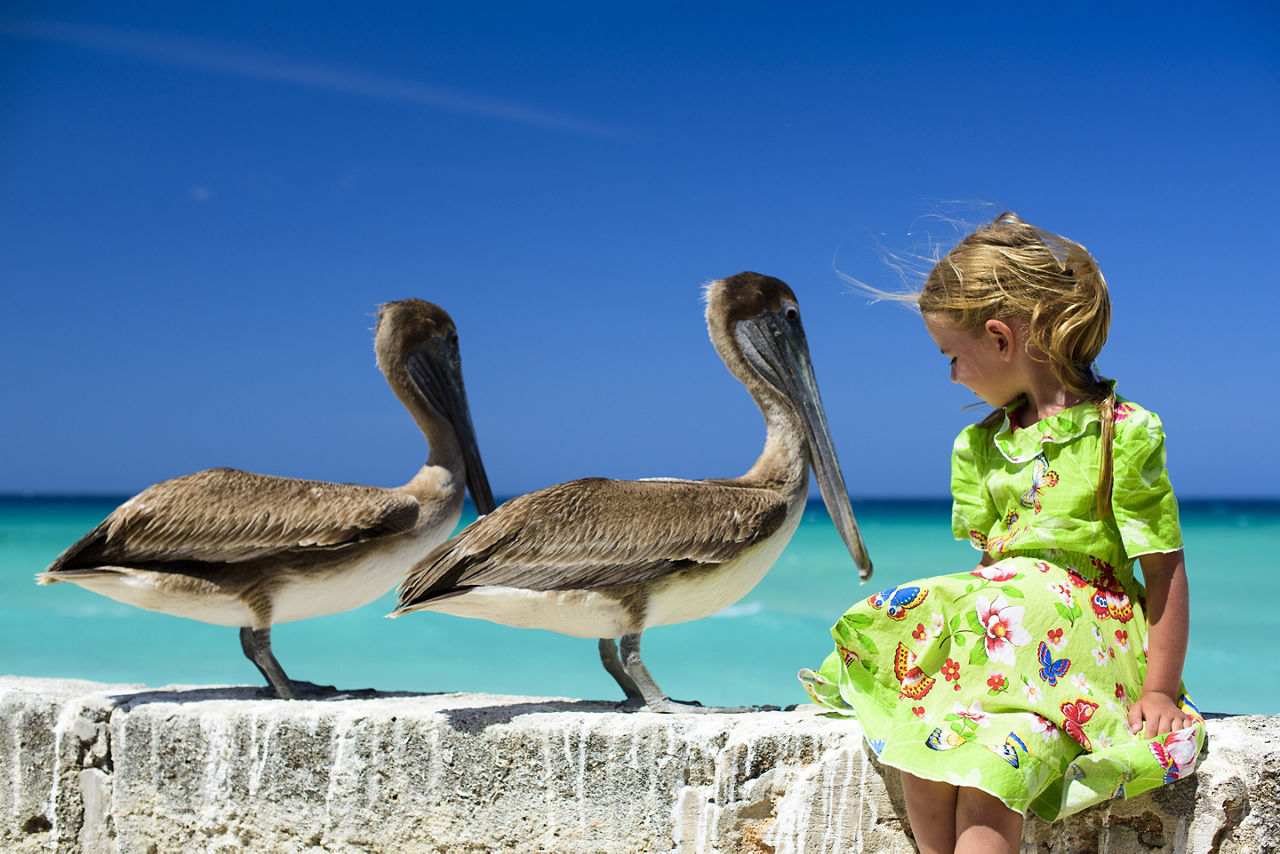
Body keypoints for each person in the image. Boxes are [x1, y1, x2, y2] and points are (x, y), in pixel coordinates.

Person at [800, 212, 1204, 853]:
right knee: (928, 734)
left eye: (952, 357)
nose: (953, 376)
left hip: (1082, 647)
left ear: (999, 338)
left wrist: (1158, 690)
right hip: (1010, 645)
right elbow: (994, 569)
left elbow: (1164, 568)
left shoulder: (1121, 433)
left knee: (993, 766)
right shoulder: (979, 448)